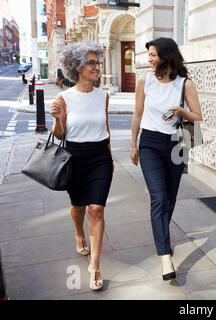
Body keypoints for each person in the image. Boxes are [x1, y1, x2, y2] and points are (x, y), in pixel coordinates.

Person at [130, 37, 202, 281]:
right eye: (148, 54)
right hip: (149, 143)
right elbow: (137, 114)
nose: (148, 59)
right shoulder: (145, 81)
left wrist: (181, 111)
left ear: (166, 56)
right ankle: (165, 256)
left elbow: (198, 116)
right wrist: (134, 144)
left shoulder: (185, 84)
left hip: (174, 145)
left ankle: (160, 232)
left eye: (152, 54)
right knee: (158, 198)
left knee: (169, 200)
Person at [49, 40, 113, 291]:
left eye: (98, 62)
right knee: (78, 207)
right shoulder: (64, 97)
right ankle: (79, 233)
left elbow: (105, 128)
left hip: (100, 157)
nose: (97, 67)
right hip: (74, 157)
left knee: (96, 208)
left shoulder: (103, 96)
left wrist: (109, 158)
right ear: (77, 66)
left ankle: (94, 265)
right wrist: (56, 119)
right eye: (91, 63)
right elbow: (59, 133)